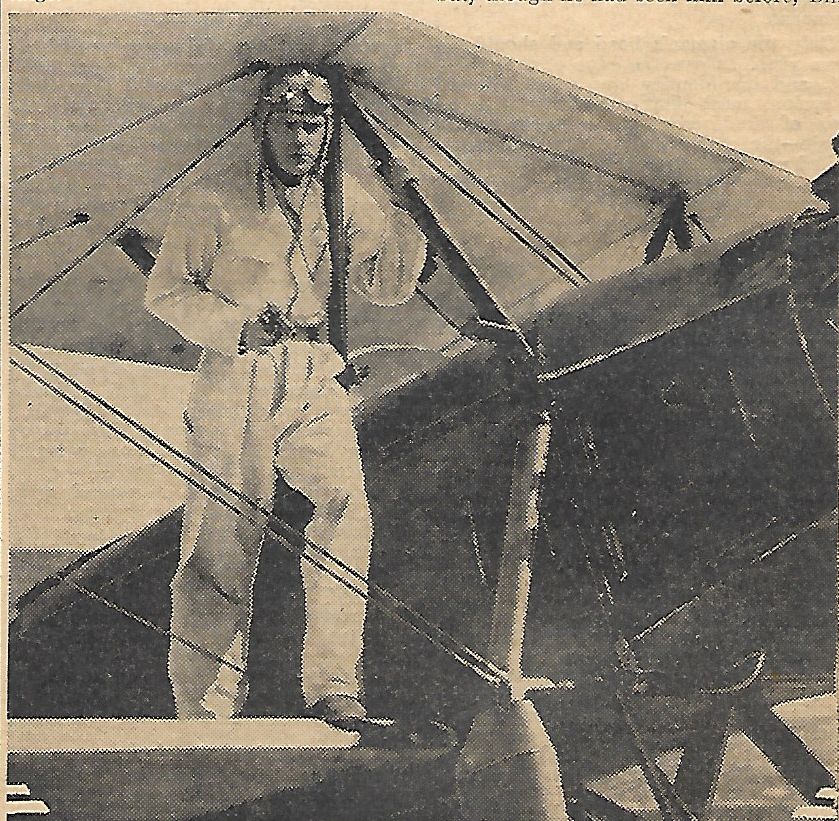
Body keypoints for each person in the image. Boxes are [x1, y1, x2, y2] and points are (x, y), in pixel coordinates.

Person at [144, 67, 427, 725]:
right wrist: (235, 325)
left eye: (311, 125)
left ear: (326, 131)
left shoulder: (344, 197)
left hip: (310, 366)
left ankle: (333, 684)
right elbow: (166, 292)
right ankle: (204, 711)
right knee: (222, 539)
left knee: (345, 504)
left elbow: (385, 286)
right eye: (286, 124)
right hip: (235, 371)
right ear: (260, 128)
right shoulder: (211, 200)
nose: (299, 138)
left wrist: (407, 217)